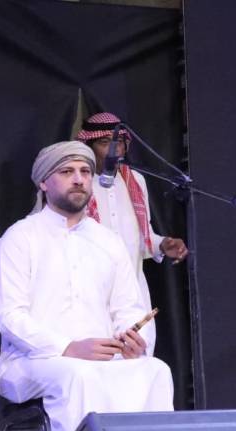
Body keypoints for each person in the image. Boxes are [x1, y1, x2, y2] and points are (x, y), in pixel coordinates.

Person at [0, 141, 175, 431]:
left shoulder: (108, 242)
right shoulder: (20, 238)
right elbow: (11, 318)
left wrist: (135, 341)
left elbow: (129, 307)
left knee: (155, 370)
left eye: (85, 172)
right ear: (43, 182)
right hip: (31, 361)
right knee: (79, 376)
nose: (78, 179)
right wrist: (68, 347)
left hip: (100, 359)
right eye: (67, 172)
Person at [76, 112, 188, 349]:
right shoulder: (75, 186)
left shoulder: (136, 181)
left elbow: (141, 237)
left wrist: (162, 244)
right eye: (104, 143)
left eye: (119, 142)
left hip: (133, 292)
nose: (113, 150)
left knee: (137, 360)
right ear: (88, 146)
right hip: (89, 292)